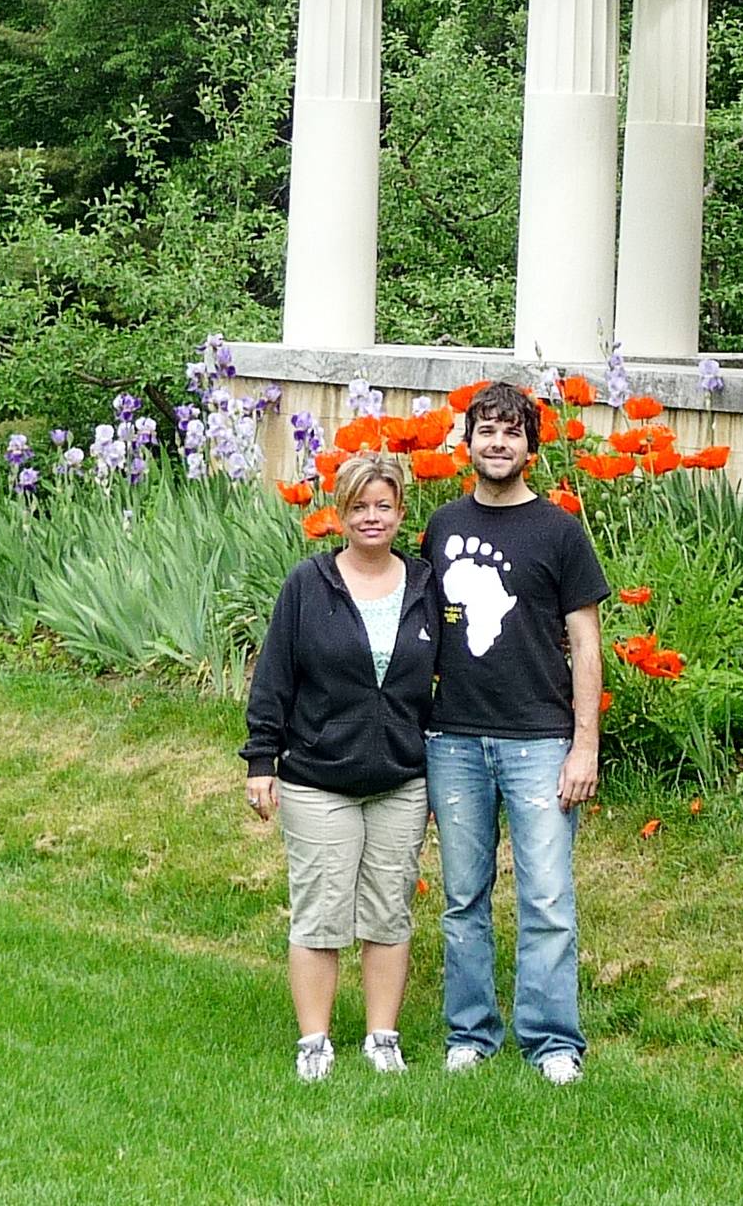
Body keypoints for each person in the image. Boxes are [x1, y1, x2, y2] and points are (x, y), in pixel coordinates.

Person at [424, 379, 607, 1084]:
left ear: (530, 446)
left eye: (511, 432)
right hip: (455, 739)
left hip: (539, 741)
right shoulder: (441, 526)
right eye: (486, 431)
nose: (497, 444)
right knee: (462, 897)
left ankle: (553, 1043)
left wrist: (583, 744)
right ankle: (470, 1034)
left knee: (548, 900)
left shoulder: (559, 531)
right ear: (467, 442)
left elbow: (586, 643)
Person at [242, 452, 436, 1082]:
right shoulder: (308, 584)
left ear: (401, 513)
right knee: (321, 912)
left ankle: (383, 1036)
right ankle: (315, 1042)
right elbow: (274, 676)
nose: (371, 518)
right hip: (318, 778)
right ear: (340, 515)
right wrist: (260, 759)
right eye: (359, 507)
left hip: (400, 780)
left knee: (389, 911)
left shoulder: (426, 585)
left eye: (383, 506)